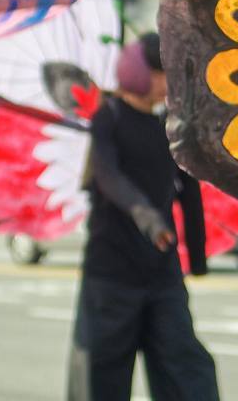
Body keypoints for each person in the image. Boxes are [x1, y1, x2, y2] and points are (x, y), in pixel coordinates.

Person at [68, 32, 219, 401]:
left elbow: (189, 192)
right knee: (100, 376)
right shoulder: (108, 118)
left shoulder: (173, 126)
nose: (169, 83)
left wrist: (197, 256)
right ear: (140, 73)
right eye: (162, 74)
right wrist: (149, 220)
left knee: (185, 368)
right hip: (111, 273)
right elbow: (109, 178)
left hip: (161, 272)